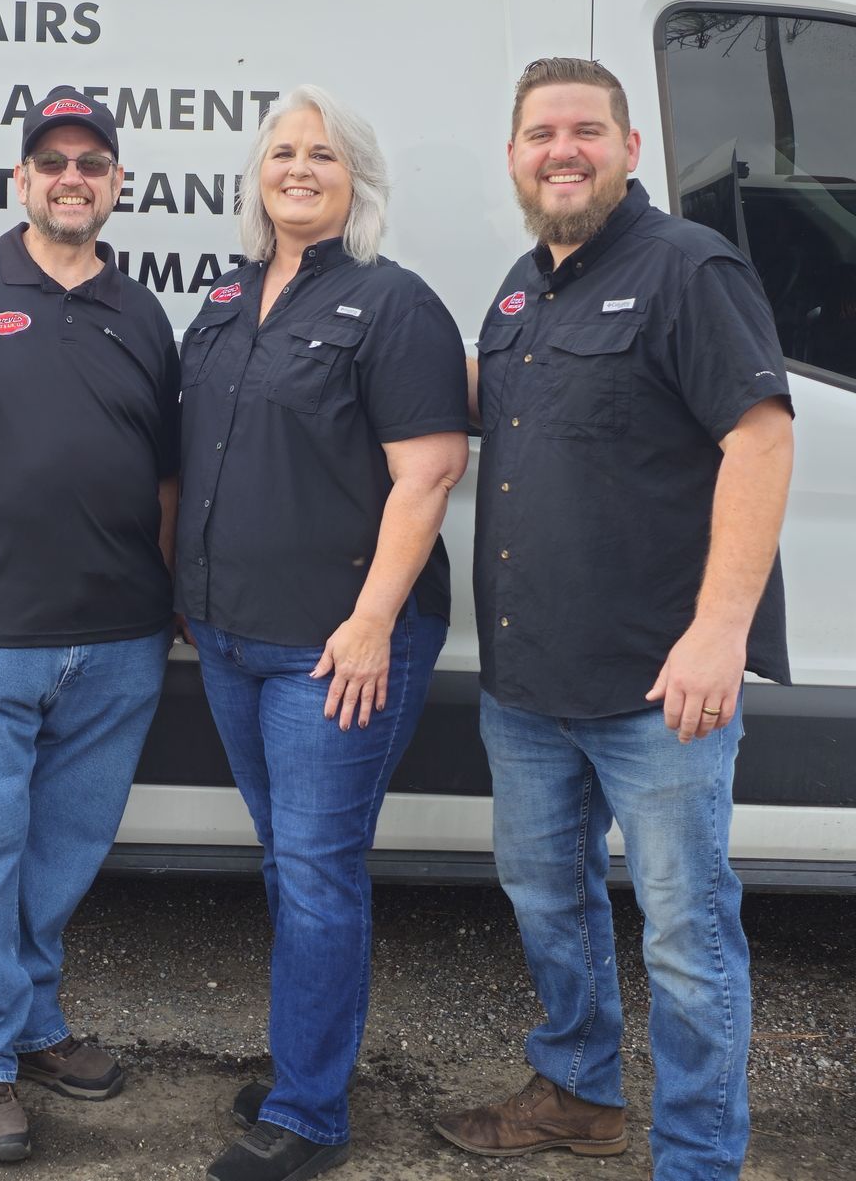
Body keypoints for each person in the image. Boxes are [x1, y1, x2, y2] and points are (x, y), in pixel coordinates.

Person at [434, 57, 793, 1181]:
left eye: (585, 129)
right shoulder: (519, 287)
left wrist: (718, 632)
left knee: (687, 936)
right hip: (531, 679)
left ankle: (697, 1156)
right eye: (541, 133)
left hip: (660, 680)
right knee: (552, 899)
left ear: (630, 148)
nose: (562, 150)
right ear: (514, 157)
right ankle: (580, 1093)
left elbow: (762, 437)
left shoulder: (689, 267)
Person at [176, 86, 471, 1181]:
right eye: (283, 152)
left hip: (335, 646)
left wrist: (371, 624)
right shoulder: (224, 297)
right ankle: (313, 1061)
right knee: (292, 858)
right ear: (257, 176)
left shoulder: (393, 305)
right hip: (230, 634)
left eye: (326, 155)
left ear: (360, 184)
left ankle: (310, 1110)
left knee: (316, 865)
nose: (300, 168)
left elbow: (430, 469)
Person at [0, 87, 180, 1163]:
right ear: (20, 178)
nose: (71, 178)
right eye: (51, 161)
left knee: (60, 849)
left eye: (90, 163)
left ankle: (33, 1017)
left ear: (114, 183)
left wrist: (172, 588)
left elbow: (165, 472)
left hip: (118, 635)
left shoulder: (141, 311)